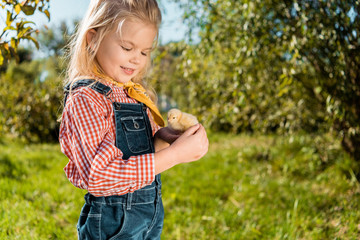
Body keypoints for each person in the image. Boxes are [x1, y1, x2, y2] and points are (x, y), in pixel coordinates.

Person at [59, 0, 209, 239]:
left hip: (149, 218)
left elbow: (136, 154)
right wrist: (174, 156)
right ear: (93, 39)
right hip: (113, 225)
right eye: (127, 48)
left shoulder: (132, 93)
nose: (136, 59)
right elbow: (100, 176)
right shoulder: (86, 99)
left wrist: (163, 140)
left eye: (144, 52)